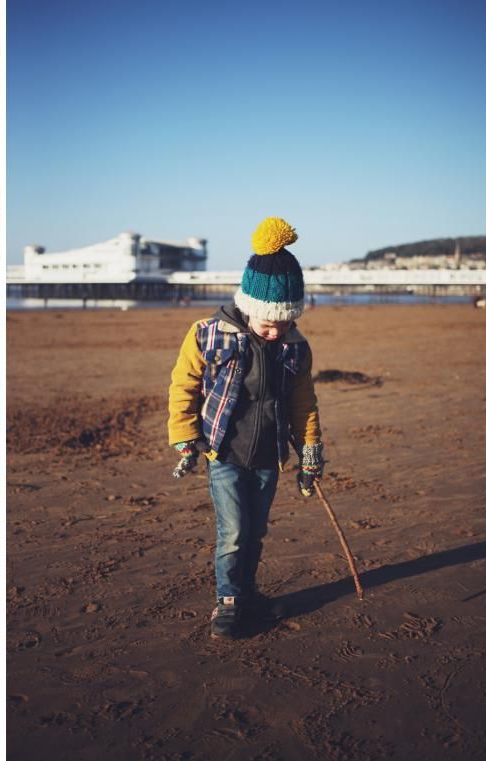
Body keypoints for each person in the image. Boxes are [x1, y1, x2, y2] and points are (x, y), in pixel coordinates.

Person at [167, 217, 323, 639]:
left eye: (285, 323)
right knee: (233, 532)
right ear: (249, 307)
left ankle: (248, 591)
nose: (275, 332)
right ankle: (229, 600)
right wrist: (184, 436)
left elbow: (303, 403)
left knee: (256, 532)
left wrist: (310, 453)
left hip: (269, 456)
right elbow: (184, 384)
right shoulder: (207, 335)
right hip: (225, 454)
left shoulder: (294, 347)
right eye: (269, 323)